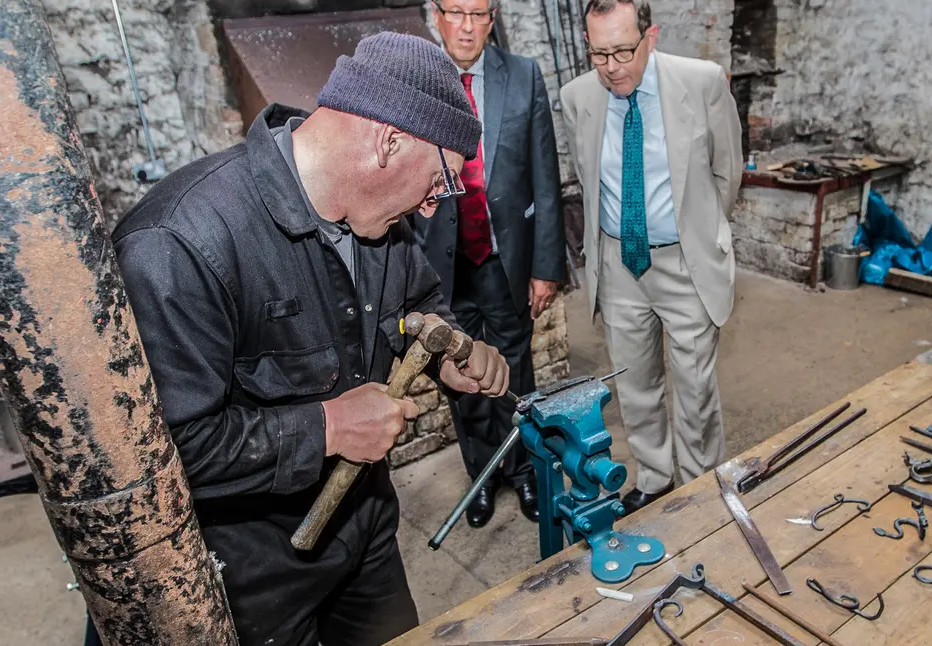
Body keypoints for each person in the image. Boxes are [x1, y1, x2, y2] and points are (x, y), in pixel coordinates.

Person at [109, 32, 510, 646]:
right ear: (389, 140)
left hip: (365, 528)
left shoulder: (381, 223)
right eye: (441, 180)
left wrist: (444, 349)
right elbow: (161, 453)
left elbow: (419, 302)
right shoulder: (179, 245)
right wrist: (325, 428)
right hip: (255, 567)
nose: (434, 207)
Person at [560, 0, 743, 514]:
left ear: (651, 35)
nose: (612, 67)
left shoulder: (702, 82)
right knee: (635, 385)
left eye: (623, 50)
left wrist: (700, 232)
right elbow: (590, 179)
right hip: (619, 263)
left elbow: (727, 172)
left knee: (695, 389)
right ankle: (657, 476)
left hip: (684, 261)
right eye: (599, 55)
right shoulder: (577, 97)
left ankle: (701, 484)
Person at [414, 0, 565, 528]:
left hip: (506, 259)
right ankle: (483, 475)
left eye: (479, 14)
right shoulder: (416, 76)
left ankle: (523, 472)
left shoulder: (523, 75)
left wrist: (547, 266)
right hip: (444, 268)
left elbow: (546, 179)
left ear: (493, 17)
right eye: (455, 12)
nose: (467, 26)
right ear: (435, 14)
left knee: (515, 372)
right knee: (462, 377)